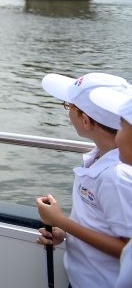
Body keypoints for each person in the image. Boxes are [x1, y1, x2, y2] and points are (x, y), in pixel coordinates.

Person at [35, 72, 132, 287]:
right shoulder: (99, 156)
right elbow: (104, 226)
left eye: (69, 107)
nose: (68, 112)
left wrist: (61, 221)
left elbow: (126, 249)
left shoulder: (117, 176)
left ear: (86, 121)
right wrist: (68, 233)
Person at [88, 85, 132, 288]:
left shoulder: (116, 176)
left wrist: (60, 221)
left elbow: (122, 246)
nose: (117, 134)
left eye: (122, 126)